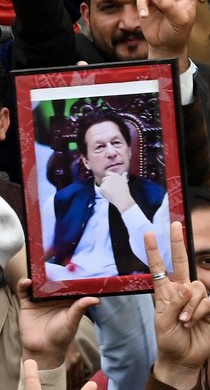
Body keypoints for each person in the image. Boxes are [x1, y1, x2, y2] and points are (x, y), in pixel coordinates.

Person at [45, 106, 168, 280]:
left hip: (127, 288)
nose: (111, 153)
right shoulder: (61, 200)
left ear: (129, 150)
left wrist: (125, 202)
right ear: (86, 161)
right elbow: (36, 256)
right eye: (100, 147)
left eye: (117, 143)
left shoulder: (158, 198)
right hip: (70, 284)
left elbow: (163, 261)